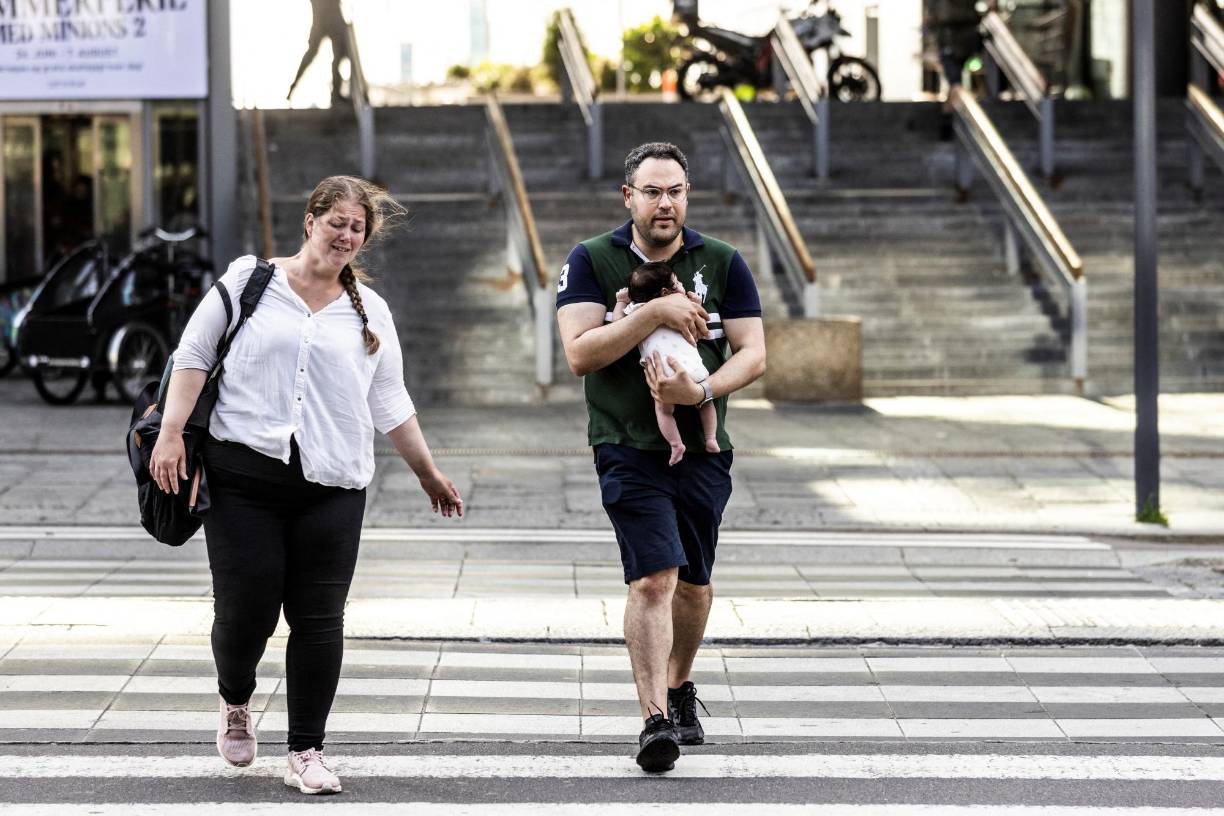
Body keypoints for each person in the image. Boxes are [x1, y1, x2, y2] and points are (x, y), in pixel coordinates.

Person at [149, 175, 463, 795]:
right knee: (246, 613)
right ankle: (235, 698)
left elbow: (390, 399)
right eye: (337, 222)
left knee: (320, 620)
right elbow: (192, 355)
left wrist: (427, 472)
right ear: (310, 220)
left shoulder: (370, 312)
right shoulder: (248, 282)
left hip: (333, 484)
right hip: (243, 479)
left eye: (357, 228)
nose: (346, 235)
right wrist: (171, 433)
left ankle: (306, 750)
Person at [555, 142, 766, 773]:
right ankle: (653, 720)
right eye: (651, 191)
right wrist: (654, 311)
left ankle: (678, 687)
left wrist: (699, 390)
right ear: (630, 197)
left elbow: (753, 354)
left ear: (686, 194)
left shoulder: (723, 262)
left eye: (674, 190)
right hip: (624, 442)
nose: (664, 202)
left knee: (694, 588)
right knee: (653, 577)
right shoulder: (592, 259)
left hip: (703, 450)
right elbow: (579, 353)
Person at [611, 261, 719, 466]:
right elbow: (697, 318)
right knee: (706, 401)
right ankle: (711, 438)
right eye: (677, 283)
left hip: (663, 373)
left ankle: (676, 444)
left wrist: (620, 302)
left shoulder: (637, 311)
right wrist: (696, 300)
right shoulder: (681, 303)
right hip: (693, 368)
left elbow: (618, 325)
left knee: (663, 411)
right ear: (664, 292)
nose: (681, 286)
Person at [287, 0, 352, 105]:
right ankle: (292, 88)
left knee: (337, 56)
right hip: (324, 17)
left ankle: (335, 95)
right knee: (313, 55)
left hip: (330, 16)